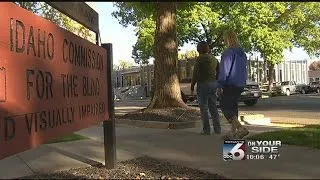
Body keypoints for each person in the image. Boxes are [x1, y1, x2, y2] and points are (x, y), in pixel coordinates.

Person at [216, 30, 249, 140]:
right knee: (233, 106)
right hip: (240, 84)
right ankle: (232, 132)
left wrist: (220, 84)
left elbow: (224, 69)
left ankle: (240, 128)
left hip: (230, 84)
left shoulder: (228, 52)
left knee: (225, 106)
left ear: (227, 39)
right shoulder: (242, 54)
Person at [191, 41, 221, 135]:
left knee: (204, 108)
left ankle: (206, 129)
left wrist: (192, 85)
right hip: (213, 84)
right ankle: (217, 129)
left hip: (202, 84)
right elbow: (219, 72)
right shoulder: (214, 59)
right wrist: (216, 81)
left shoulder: (199, 59)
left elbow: (195, 74)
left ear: (199, 49)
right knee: (213, 107)